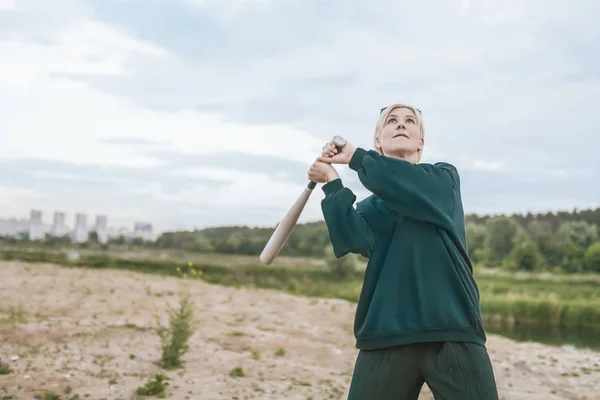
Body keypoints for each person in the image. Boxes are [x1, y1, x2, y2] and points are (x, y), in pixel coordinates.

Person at [307, 103, 499, 400]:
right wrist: (332, 184)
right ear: (378, 141)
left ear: (420, 143)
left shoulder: (443, 181)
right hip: (387, 333)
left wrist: (357, 157)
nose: (401, 124)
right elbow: (351, 238)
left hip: (453, 330)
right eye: (391, 121)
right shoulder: (372, 208)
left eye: (410, 121)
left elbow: (399, 182)